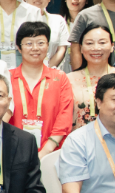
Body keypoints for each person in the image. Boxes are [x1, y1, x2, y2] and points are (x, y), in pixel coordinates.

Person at [8, 22, 73, 158]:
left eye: (41, 43)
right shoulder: (7, 78)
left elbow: (64, 117)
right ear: (19, 47)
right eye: (29, 43)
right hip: (13, 153)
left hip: (52, 154)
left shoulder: (60, 78)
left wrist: (45, 152)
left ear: (48, 46)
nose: (35, 48)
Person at [66, 25, 115, 133]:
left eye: (102, 42)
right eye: (89, 43)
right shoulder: (68, 79)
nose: (96, 48)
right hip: (80, 141)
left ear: (112, 46)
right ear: (81, 48)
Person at [24, 0, 70, 70]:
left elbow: (61, 49)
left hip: (50, 71)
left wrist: (45, 70)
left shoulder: (58, 20)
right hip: (23, 71)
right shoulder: (19, 20)